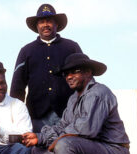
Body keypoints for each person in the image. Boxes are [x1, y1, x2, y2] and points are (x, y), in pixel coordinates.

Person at [23, 53, 131, 154]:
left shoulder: (98, 93)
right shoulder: (74, 98)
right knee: (39, 153)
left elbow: (85, 130)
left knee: (65, 145)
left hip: (114, 153)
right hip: (89, 153)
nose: (68, 76)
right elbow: (63, 125)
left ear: (88, 72)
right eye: (66, 73)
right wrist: (39, 137)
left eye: (74, 71)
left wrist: (44, 138)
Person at [10, 4, 83, 133]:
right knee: (37, 151)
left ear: (56, 25)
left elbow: (84, 79)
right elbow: (17, 87)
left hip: (68, 114)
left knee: (66, 149)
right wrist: (15, 115)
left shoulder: (71, 47)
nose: (45, 25)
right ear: (37, 26)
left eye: (49, 21)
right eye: (42, 22)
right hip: (36, 116)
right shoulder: (26, 51)